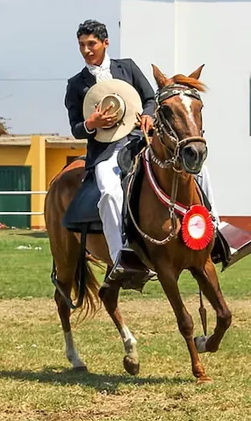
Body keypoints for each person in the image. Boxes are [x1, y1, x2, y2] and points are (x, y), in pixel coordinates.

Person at [64, 19, 223, 285]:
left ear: (105, 42)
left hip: (140, 141)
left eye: (91, 43)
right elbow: (76, 128)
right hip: (104, 152)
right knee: (110, 192)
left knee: (199, 171)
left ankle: (215, 232)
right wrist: (91, 124)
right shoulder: (76, 83)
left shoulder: (127, 67)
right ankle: (120, 257)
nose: (87, 50)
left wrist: (148, 116)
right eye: (82, 45)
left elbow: (150, 98)